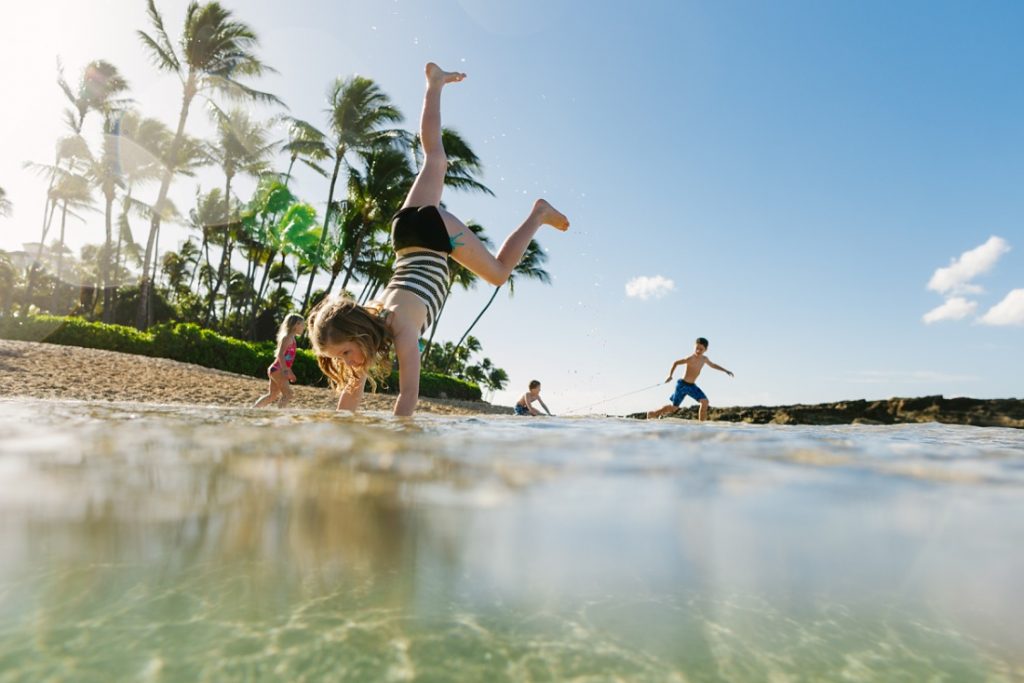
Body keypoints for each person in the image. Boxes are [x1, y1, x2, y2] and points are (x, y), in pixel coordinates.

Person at [307, 62, 570, 416]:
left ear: (356, 332)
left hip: (432, 236)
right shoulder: (371, 319)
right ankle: (435, 85)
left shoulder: (400, 329)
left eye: (343, 353)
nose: (347, 362)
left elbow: (408, 398)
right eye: (339, 357)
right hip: (404, 234)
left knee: (498, 273)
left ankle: (538, 214)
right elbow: (352, 394)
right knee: (435, 157)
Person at [647, 337, 733, 421]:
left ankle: (701, 426)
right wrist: (670, 375)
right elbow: (676, 363)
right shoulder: (690, 358)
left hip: (692, 386)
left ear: (706, 350)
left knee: (705, 402)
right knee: (674, 408)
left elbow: (713, 365)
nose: (698, 351)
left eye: (701, 349)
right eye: (697, 348)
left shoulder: (704, 359)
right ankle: (652, 414)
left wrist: (726, 370)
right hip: (682, 385)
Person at [253, 314, 305, 408]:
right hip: (278, 370)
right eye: (302, 325)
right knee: (288, 394)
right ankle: (280, 415)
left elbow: (285, 358)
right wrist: (286, 371)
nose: (303, 327)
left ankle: (253, 410)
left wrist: (289, 371)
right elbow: (280, 354)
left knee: (272, 396)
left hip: (276, 369)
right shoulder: (288, 338)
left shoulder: (291, 338)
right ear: (295, 325)